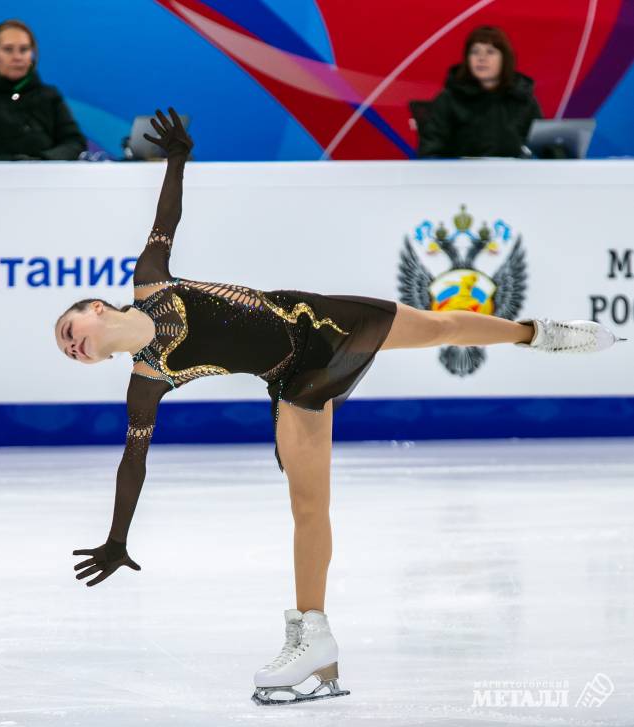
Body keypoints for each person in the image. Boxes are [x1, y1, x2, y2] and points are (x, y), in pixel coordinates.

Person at [56, 107, 618, 705]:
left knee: (436, 327)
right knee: (308, 505)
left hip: (316, 318)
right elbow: (132, 462)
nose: (72, 346)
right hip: (296, 382)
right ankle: (314, 641)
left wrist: (176, 159)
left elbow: (166, 218)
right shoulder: (148, 379)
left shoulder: (151, 282)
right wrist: (117, 537)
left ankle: (538, 333)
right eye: (68, 352)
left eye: (69, 330)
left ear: (96, 307)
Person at [0, 19, 86, 162]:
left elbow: (75, 142)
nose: (17, 57)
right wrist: (17, 164)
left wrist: (43, 161)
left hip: (50, 181)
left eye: (24, 49)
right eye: (8, 49)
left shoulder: (50, 96)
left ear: (32, 55)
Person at [418, 25, 542, 158]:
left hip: (515, 175)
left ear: (505, 58)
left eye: (490, 52)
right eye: (475, 52)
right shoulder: (448, 99)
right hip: (461, 175)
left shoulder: (523, 99)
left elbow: (542, 149)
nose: (481, 58)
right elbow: (430, 151)